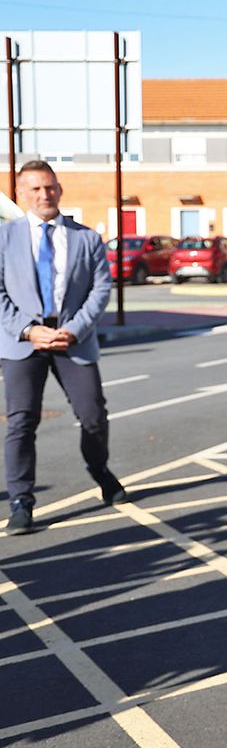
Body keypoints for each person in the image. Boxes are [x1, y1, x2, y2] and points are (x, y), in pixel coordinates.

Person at [0, 160, 124, 535]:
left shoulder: (86, 238)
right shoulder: (4, 238)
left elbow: (100, 289)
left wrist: (72, 330)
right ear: (21, 194)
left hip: (73, 339)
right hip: (23, 342)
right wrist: (27, 330)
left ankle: (100, 471)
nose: (44, 195)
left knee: (93, 417)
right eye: (35, 189)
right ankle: (21, 501)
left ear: (60, 189)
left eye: (50, 187)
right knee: (21, 422)